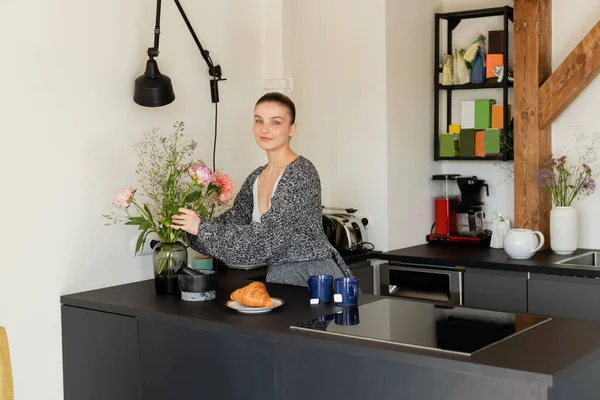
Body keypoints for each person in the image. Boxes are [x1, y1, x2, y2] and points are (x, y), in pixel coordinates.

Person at [171, 92, 352, 286]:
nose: (264, 129)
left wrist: (201, 228)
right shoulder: (256, 177)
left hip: (316, 279)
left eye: (275, 122)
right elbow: (233, 223)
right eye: (259, 121)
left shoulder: (302, 173)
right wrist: (184, 227)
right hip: (279, 278)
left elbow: (268, 240)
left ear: (291, 129)